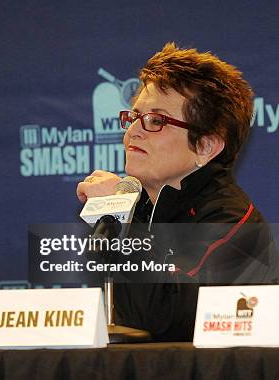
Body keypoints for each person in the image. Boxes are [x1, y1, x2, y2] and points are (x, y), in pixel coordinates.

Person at [76, 43, 277, 341]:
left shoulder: (231, 220)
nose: (133, 131)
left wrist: (122, 217)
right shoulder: (139, 206)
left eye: (156, 120)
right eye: (134, 117)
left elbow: (163, 315)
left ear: (205, 146)